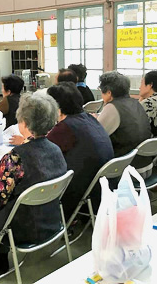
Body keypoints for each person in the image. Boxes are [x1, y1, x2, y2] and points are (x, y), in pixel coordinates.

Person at [0, 93, 67, 268]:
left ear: (24, 123)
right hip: (51, 219)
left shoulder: (15, 158)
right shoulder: (56, 149)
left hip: (20, 228)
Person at [46, 82, 114, 219]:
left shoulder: (65, 128)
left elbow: (41, 149)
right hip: (102, 189)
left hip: (78, 192)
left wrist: (26, 140)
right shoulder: (88, 118)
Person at [97, 71, 151, 159]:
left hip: (124, 164)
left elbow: (96, 136)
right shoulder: (135, 103)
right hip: (144, 160)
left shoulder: (112, 107)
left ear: (109, 93)